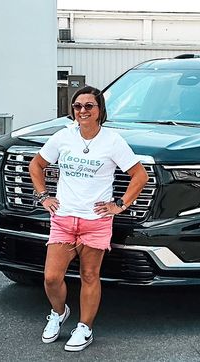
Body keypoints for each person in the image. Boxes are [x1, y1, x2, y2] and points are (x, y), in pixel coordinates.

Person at [29, 85, 148, 352]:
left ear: (99, 111)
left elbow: (139, 176)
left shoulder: (112, 141)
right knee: (51, 277)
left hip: (95, 221)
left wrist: (120, 204)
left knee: (90, 275)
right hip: (63, 218)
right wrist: (43, 196)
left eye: (88, 106)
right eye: (78, 106)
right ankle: (59, 313)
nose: (82, 111)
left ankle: (84, 327)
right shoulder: (63, 137)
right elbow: (36, 165)